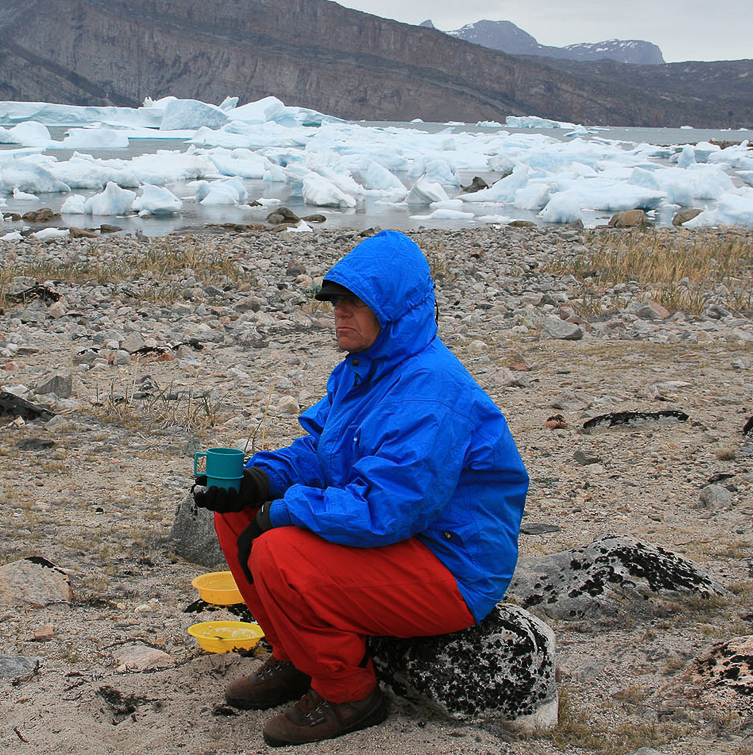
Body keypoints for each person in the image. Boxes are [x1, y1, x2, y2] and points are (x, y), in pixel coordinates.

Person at [194, 230, 528, 747]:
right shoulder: (362, 372)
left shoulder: (432, 393)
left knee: (280, 549)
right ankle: (296, 658)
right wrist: (258, 480)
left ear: (394, 310)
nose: (339, 314)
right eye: (337, 302)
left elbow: (387, 509)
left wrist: (283, 513)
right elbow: (321, 451)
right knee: (236, 509)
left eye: (355, 303)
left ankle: (348, 694)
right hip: (402, 544)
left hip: (451, 567)